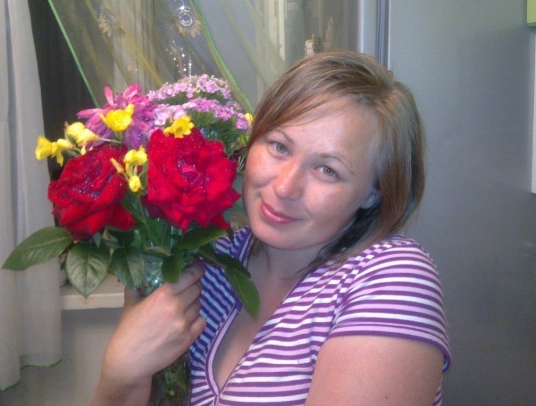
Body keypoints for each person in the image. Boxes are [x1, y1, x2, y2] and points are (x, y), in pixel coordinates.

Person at [90, 50, 451, 406]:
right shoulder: (208, 260)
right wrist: (119, 375)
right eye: (279, 146)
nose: (284, 187)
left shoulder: (390, 279)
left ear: (373, 192)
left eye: (327, 170)